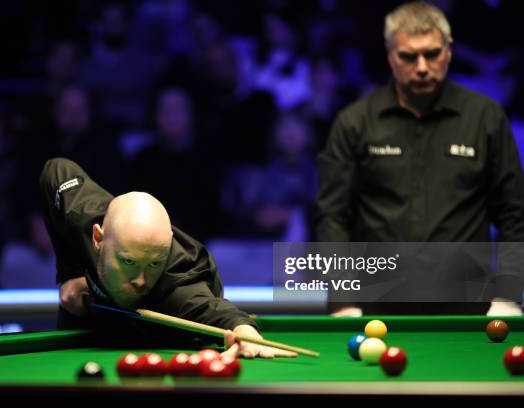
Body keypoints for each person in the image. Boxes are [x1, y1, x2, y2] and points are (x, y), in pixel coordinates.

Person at [315, 2, 524, 317]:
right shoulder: (355, 121)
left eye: (432, 53)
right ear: (390, 56)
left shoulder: (486, 118)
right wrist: (342, 298)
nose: (423, 66)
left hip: (466, 306)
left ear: (449, 50)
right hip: (377, 307)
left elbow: (514, 213)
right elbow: (333, 217)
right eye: (409, 56)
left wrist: (509, 293)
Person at [40, 157, 294, 358]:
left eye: (153, 264)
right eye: (128, 262)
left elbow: (219, 313)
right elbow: (55, 170)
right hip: (92, 323)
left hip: (164, 330)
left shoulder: (177, 288)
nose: (141, 280)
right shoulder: (81, 214)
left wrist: (244, 331)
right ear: (98, 239)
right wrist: (70, 273)